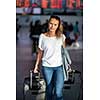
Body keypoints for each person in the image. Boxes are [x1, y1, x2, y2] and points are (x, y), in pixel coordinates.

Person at [33, 15, 67, 100]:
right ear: (48, 23)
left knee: (58, 92)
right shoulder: (42, 36)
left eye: (55, 24)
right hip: (47, 67)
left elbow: (64, 53)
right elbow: (40, 52)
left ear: (58, 26)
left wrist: (67, 65)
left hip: (59, 67)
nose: (52, 26)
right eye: (51, 23)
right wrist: (36, 66)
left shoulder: (62, 37)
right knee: (49, 89)